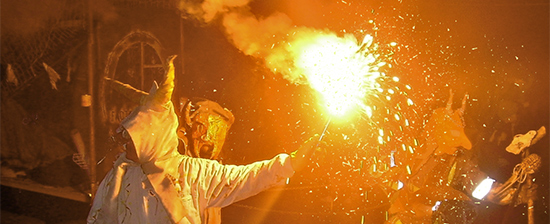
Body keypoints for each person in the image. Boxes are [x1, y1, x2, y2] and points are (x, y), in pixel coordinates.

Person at [87, 55, 319, 224]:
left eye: (132, 136)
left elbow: (241, 178)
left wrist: (289, 163)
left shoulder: (193, 172)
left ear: (150, 139)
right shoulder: (120, 174)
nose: (124, 141)